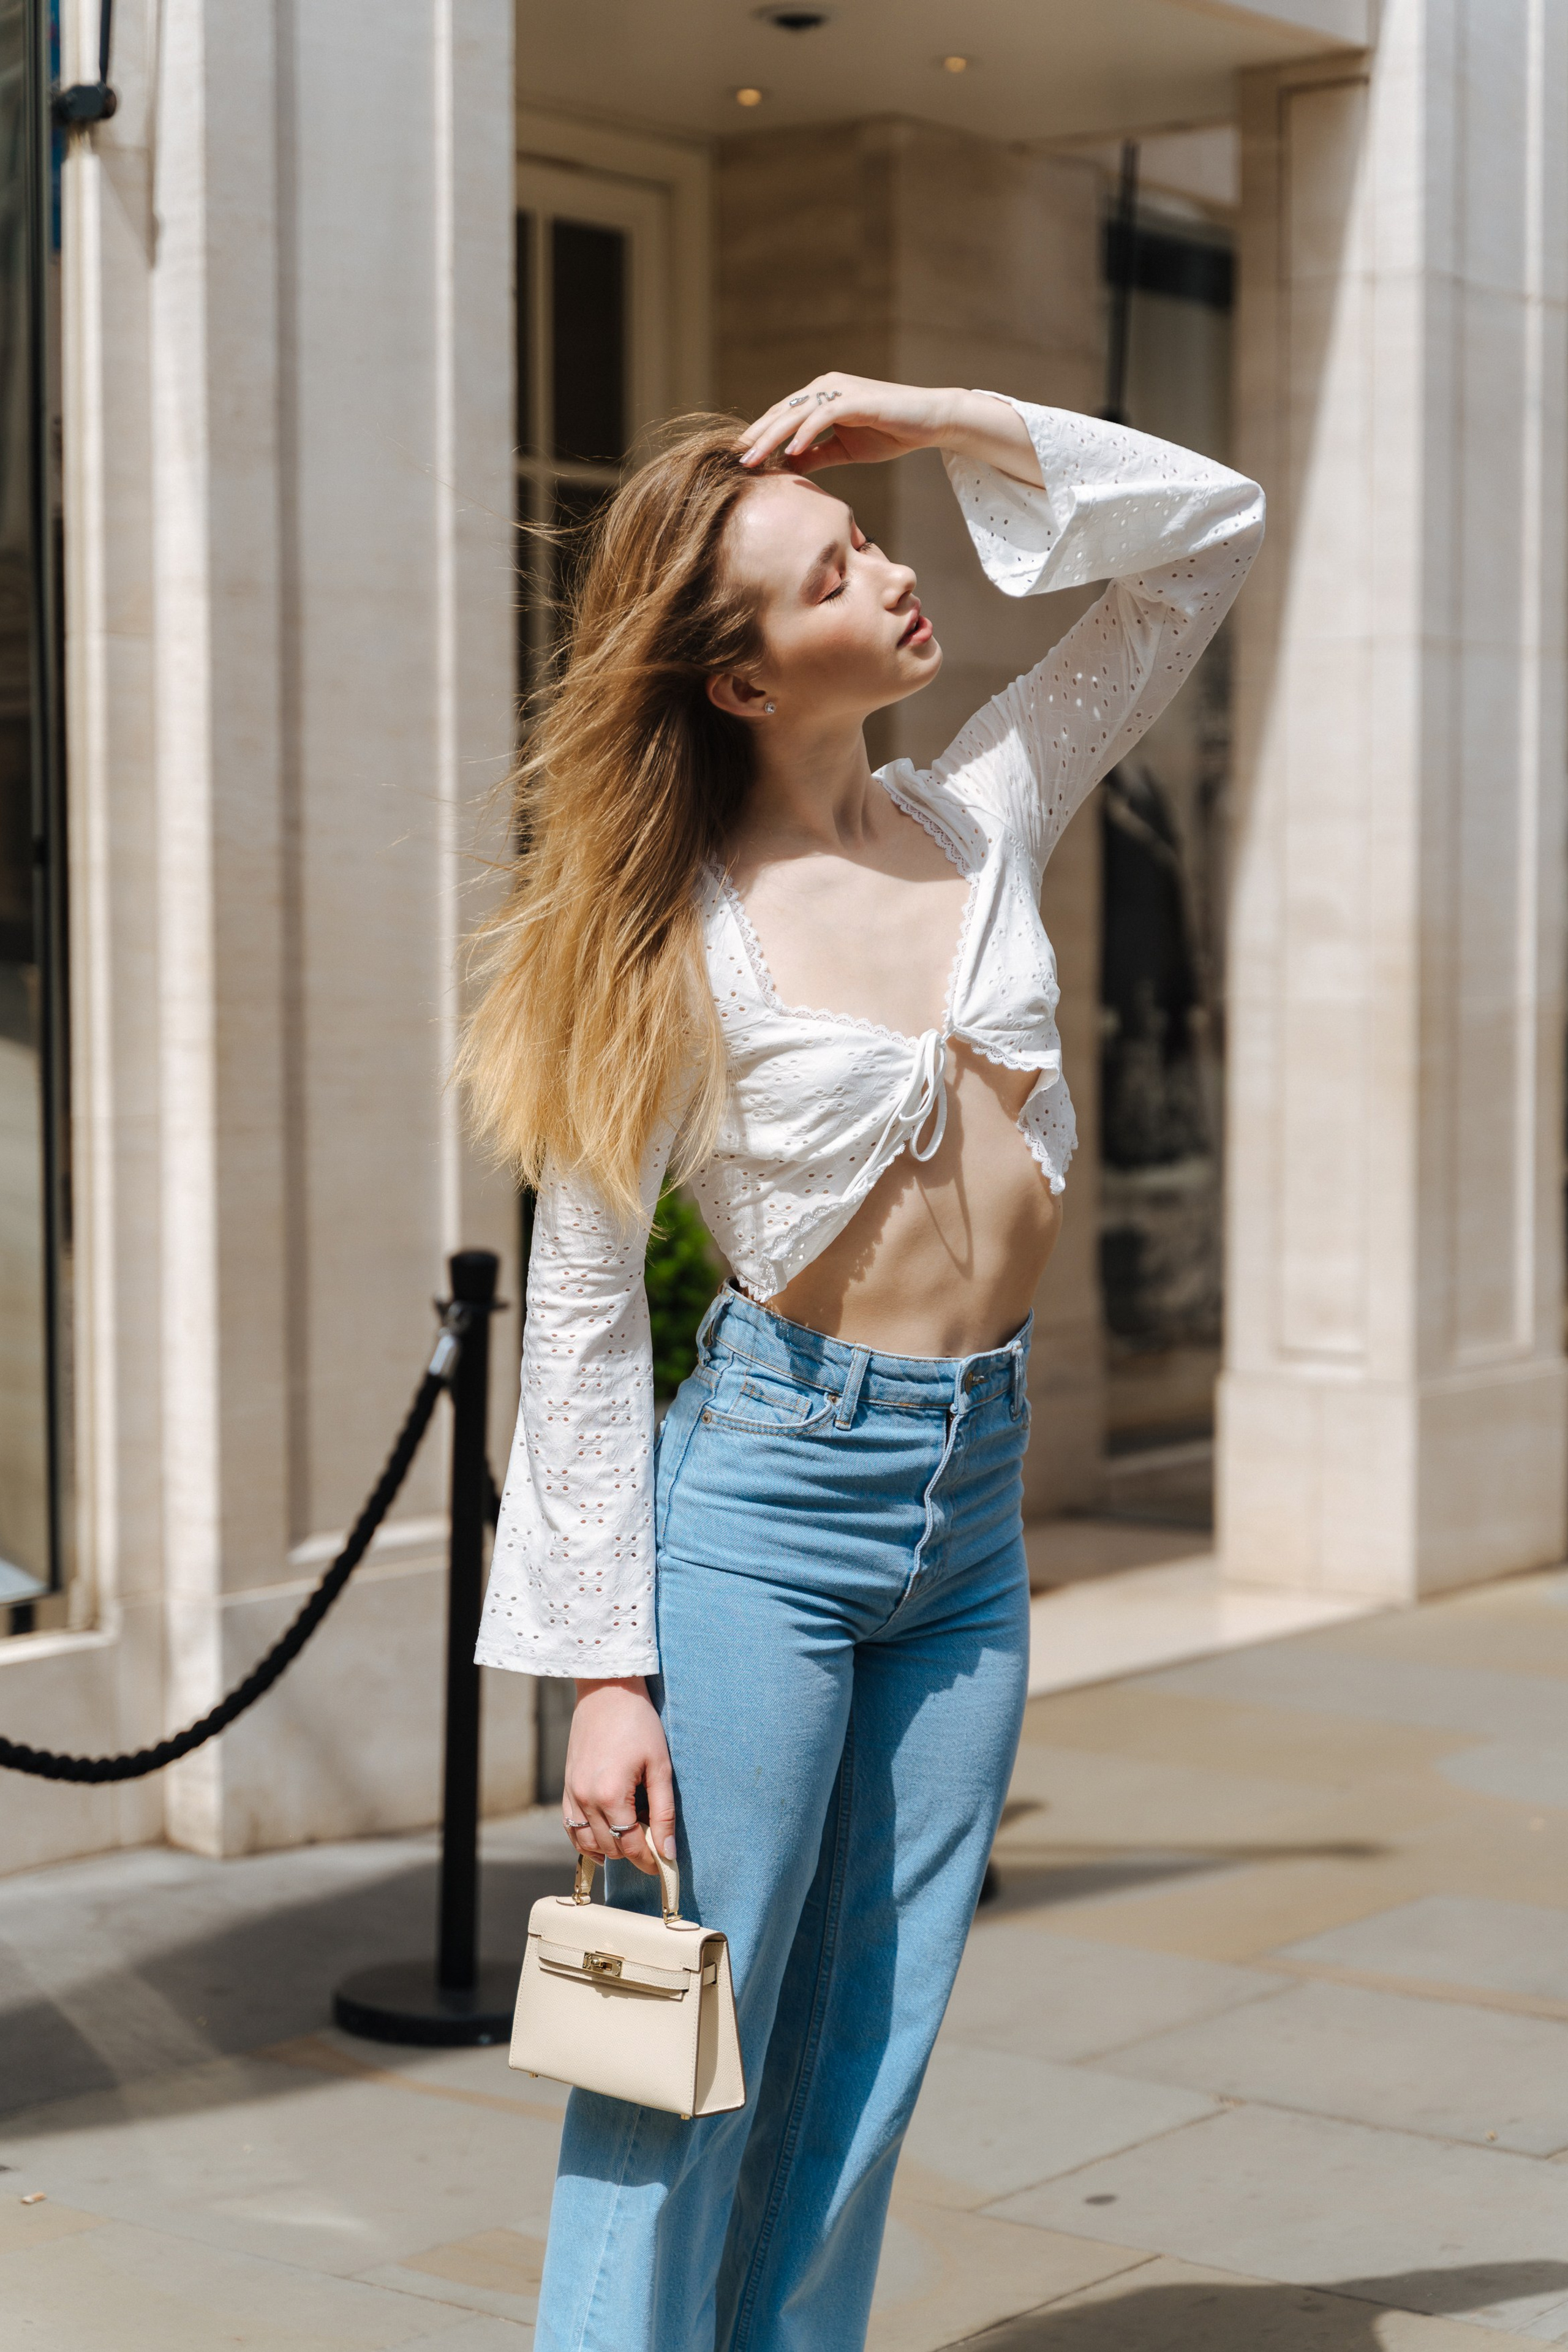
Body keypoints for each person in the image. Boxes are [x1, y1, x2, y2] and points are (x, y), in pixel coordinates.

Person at [461, 375, 1263, 2352]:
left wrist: (940, 416)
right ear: (741, 680)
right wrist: (603, 1672)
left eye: (871, 537)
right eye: (835, 569)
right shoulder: (669, 946)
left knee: (869, 2059)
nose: (893, 571)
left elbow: (1204, 542)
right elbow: (579, 1308)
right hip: (765, 1508)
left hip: (967, 1514)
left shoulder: (976, 808)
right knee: (676, 2061)